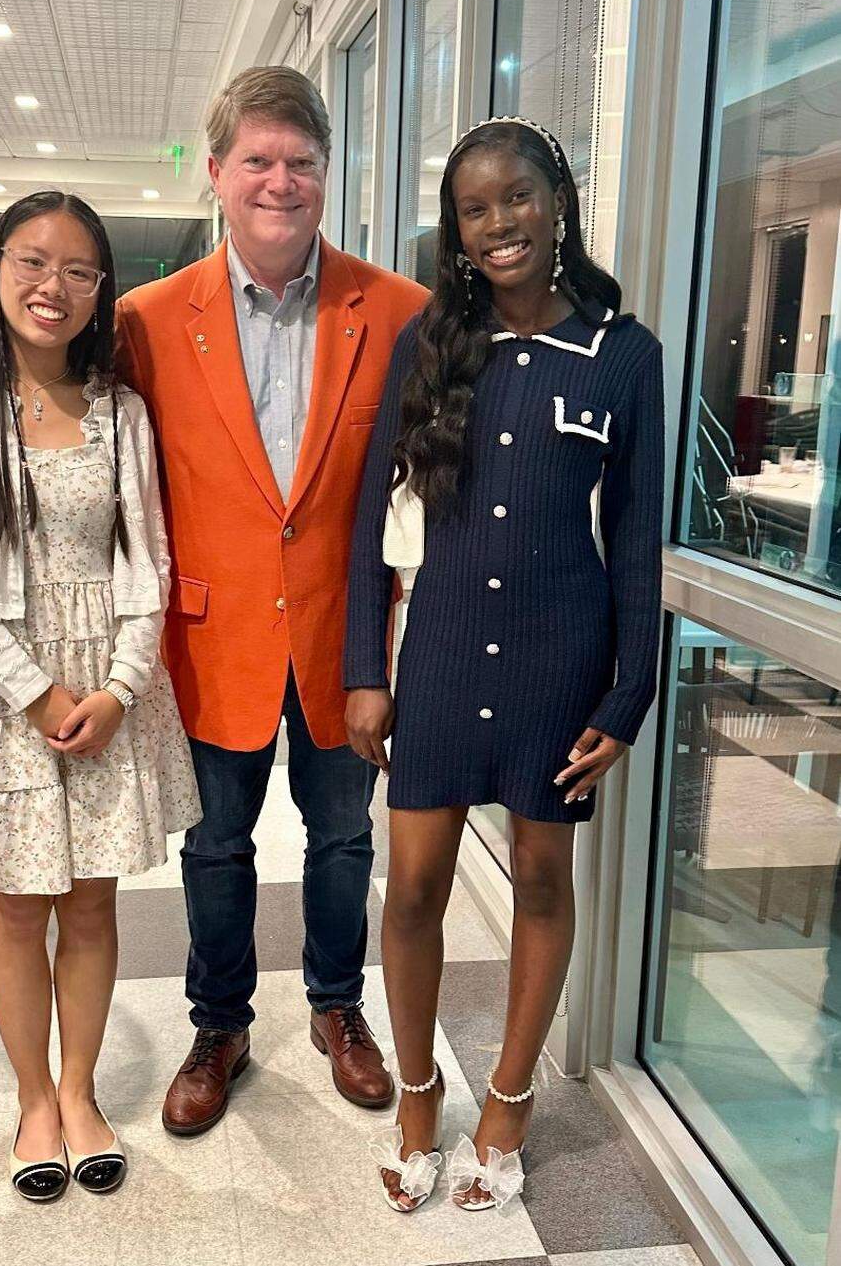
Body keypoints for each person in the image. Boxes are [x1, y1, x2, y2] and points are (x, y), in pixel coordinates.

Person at [345, 117, 664, 1213]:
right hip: (434, 653)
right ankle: (421, 1098)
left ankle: (509, 1103)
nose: (499, 224)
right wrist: (363, 669)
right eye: (475, 210)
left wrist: (628, 699)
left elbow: (634, 536)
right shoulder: (431, 344)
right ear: (459, 231)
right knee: (416, 888)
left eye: (516, 198)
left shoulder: (623, 355)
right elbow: (363, 529)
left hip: (558, 660)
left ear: (557, 199)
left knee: (539, 878)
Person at [117, 67, 428, 1135]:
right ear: (216, 173)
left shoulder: (397, 313)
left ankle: (339, 1010)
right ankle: (220, 1024)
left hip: (347, 638)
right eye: (258, 160)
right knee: (215, 847)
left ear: (326, 176)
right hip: (211, 638)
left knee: (344, 841)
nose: (280, 181)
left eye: (301, 163)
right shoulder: (148, 322)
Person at [0, 190, 200, 1202]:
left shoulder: (122, 408)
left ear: (99, 289)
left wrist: (117, 689)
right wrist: (33, 692)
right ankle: (33, 1101)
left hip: (106, 688)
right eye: (33, 262)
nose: (52, 287)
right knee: (19, 907)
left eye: (78, 270)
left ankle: (81, 1093)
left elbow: (149, 560)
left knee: (95, 902)